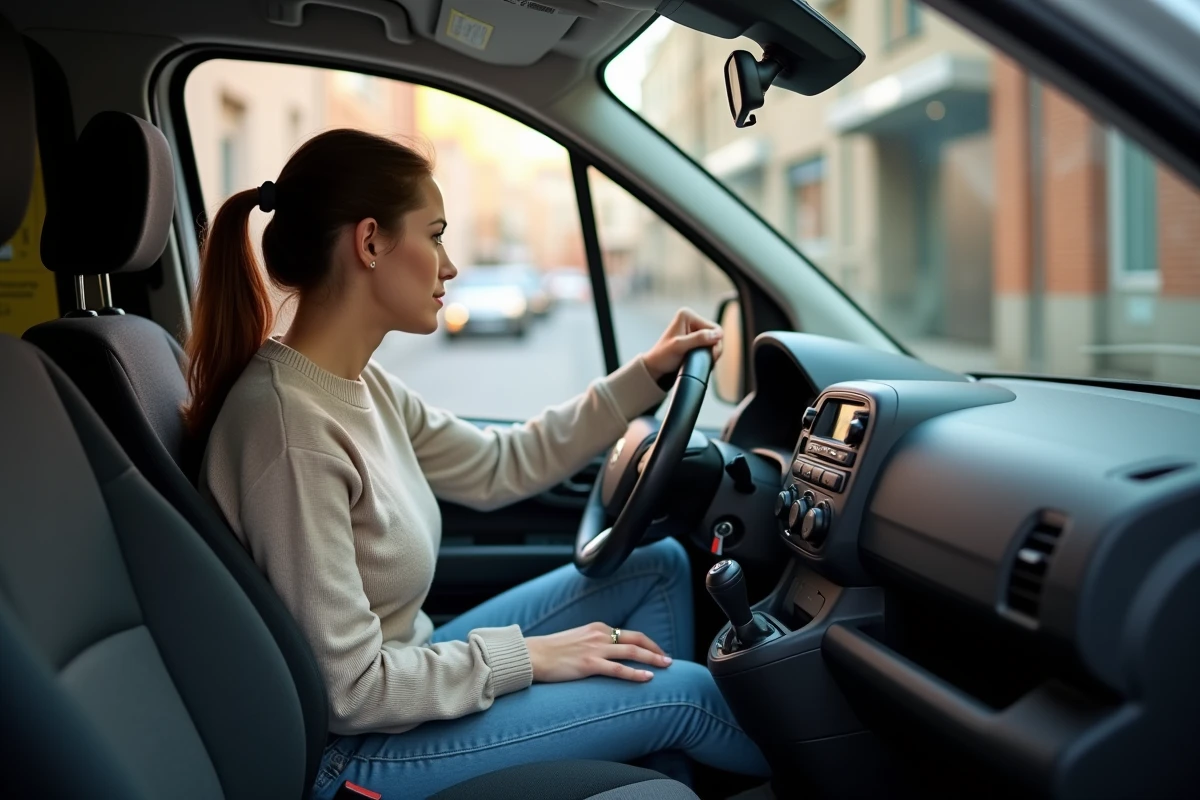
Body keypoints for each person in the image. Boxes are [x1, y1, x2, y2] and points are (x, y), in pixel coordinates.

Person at [185, 129, 770, 798]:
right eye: (434, 235)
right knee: (687, 694)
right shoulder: (288, 427)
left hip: (403, 679)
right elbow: (351, 691)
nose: (450, 265)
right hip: (353, 755)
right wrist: (533, 657)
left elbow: (502, 464)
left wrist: (643, 375)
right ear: (370, 242)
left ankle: (640, 776)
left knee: (660, 570)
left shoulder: (359, 386)